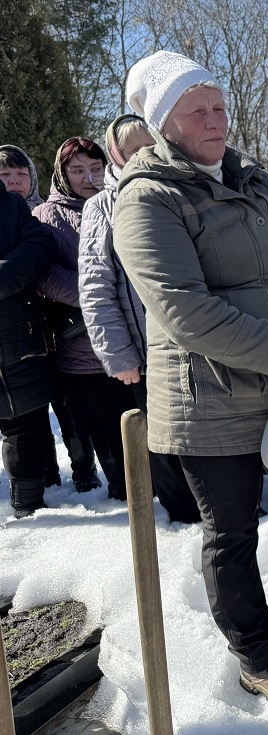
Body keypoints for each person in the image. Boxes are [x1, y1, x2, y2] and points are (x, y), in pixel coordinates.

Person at [115, 51, 268, 706]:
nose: (216, 120)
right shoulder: (148, 198)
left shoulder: (255, 182)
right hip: (208, 398)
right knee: (232, 532)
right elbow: (184, 312)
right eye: (198, 111)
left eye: (219, 107)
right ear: (164, 121)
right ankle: (258, 655)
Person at [78, 115, 200, 522]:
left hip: (197, 339)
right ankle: (182, 516)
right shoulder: (103, 205)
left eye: (151, 145)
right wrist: (118, 353)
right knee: (161, 436)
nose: (145, 155)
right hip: (146, 350)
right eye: (133, 149)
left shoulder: (183, 187)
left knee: (204, 429)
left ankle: (226, 505)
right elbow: (95, 285)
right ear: (116, 156)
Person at [34, 138, 136, 501]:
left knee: (141, 422)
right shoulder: (47, 215)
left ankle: (155, 493)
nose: (88, 177)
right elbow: (45, 275)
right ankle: (124, 495)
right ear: (62, 175)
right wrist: (102, 292)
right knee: (106, 430)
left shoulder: (120, 201)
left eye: (95, 168)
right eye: (77, 170)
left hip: (134, 338)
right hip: (83, 346)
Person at [2, 143, 96, 490]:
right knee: (30, 411)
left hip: (58, 329)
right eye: (5, 174)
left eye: (21, 173)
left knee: (68, 406)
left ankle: (84, 468)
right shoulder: (5, 217)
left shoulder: (44, 214)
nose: (14, 181)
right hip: (19, 336)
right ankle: (47, 474)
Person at [1, 187, 57, 517]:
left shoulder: (10, 205)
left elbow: (40, 245)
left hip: (18, 339)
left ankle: (29, 507)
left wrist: (3, 277)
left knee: (24, 426)